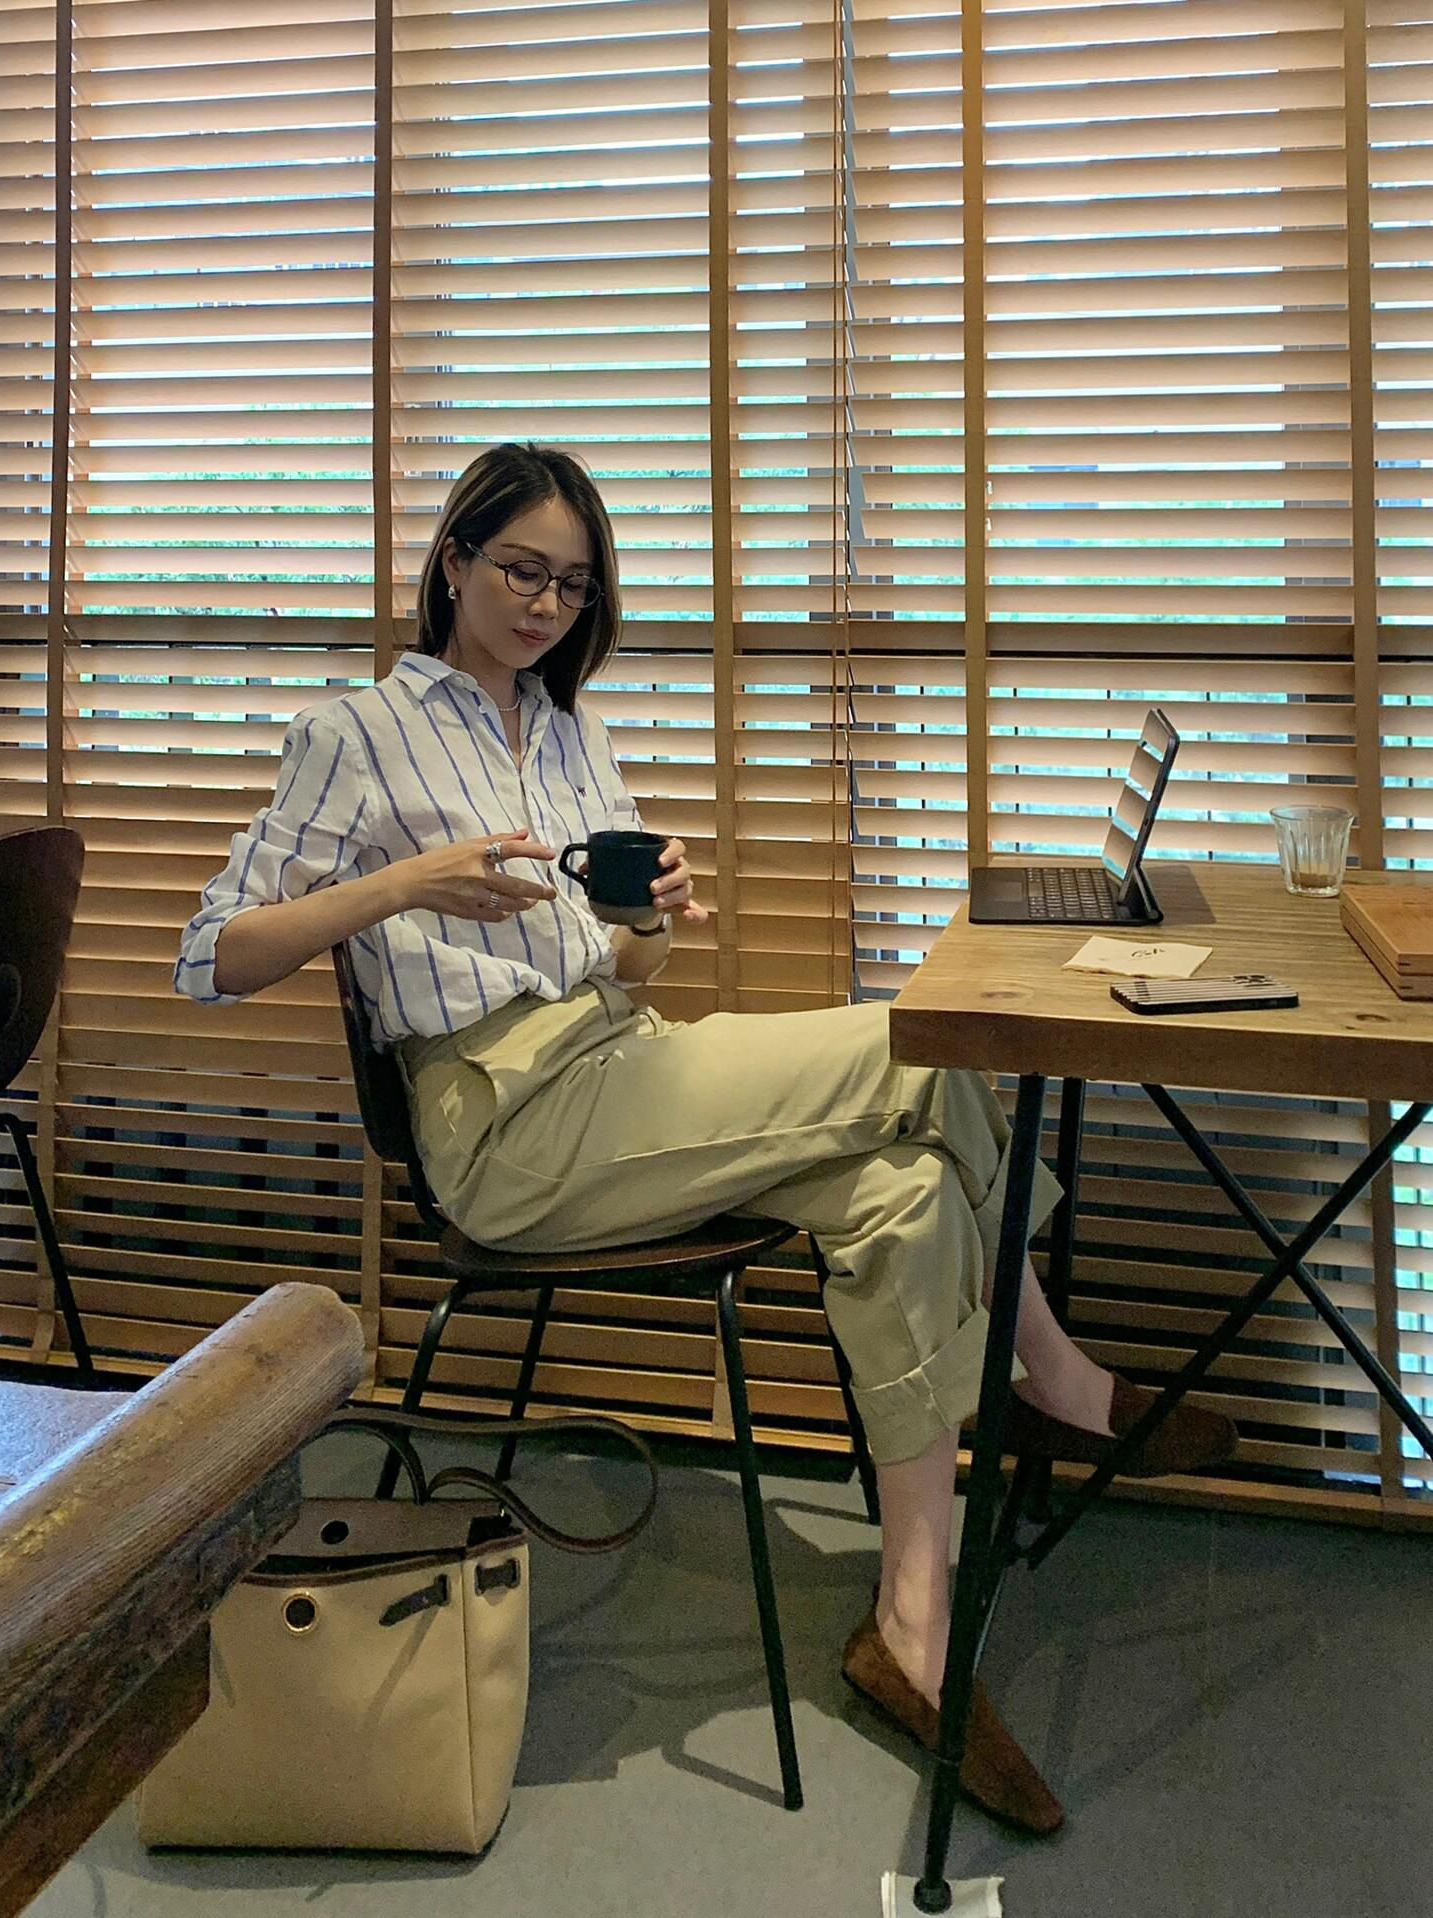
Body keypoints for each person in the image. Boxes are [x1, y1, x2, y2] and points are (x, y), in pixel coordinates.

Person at [176, 441, 1236, 1835]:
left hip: (616, 1063)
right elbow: (213, 955)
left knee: (904, 1185)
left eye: (573, 584)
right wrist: (404, 884)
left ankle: (912, 1631)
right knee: (918, 1043)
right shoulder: (356, 731)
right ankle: (1054, 1376)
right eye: (521, 570)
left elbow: (628, 973)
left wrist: (651, 914)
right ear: (452, 560)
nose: (545, 604)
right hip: (501, 1122)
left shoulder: (568, 730)